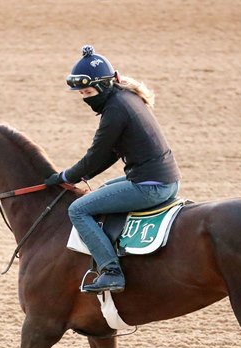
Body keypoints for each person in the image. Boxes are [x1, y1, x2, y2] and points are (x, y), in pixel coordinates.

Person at [45, 45, 181, 294]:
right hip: (166, 180)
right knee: (104, 189)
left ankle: (111, 270)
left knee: (78, 209)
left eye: (87, 91)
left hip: (149, 186)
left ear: (104, 85)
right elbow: (111, 153)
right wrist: (84, 176)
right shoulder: (127, 97)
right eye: (81, 93)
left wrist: (65, 176)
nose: (85, 98)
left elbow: (95, 155)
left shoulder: (115, 110)